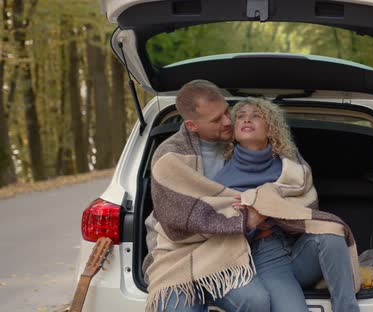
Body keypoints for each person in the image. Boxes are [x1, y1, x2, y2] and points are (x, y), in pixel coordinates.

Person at [213, 97, 361, 312]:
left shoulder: (291, 166)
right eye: (241, 116)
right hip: (264, 253)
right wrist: (253, 218)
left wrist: (274, 210)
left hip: (298, 246)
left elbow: (307, 206)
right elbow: (217, 226)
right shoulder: (221, 173)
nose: (247, 119)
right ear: (233, 131)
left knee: (332, 231)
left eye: (256, 116)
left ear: (271, 128)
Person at [143, 80, 269, 312]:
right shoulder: (170, 156)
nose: (227, 121)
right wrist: (243, 220)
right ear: (191, 125)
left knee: (256, 301)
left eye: (226, 112)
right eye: (216, 120)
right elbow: (177, 219)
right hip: (177, 252)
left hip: (226, 248)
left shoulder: (243, 142)